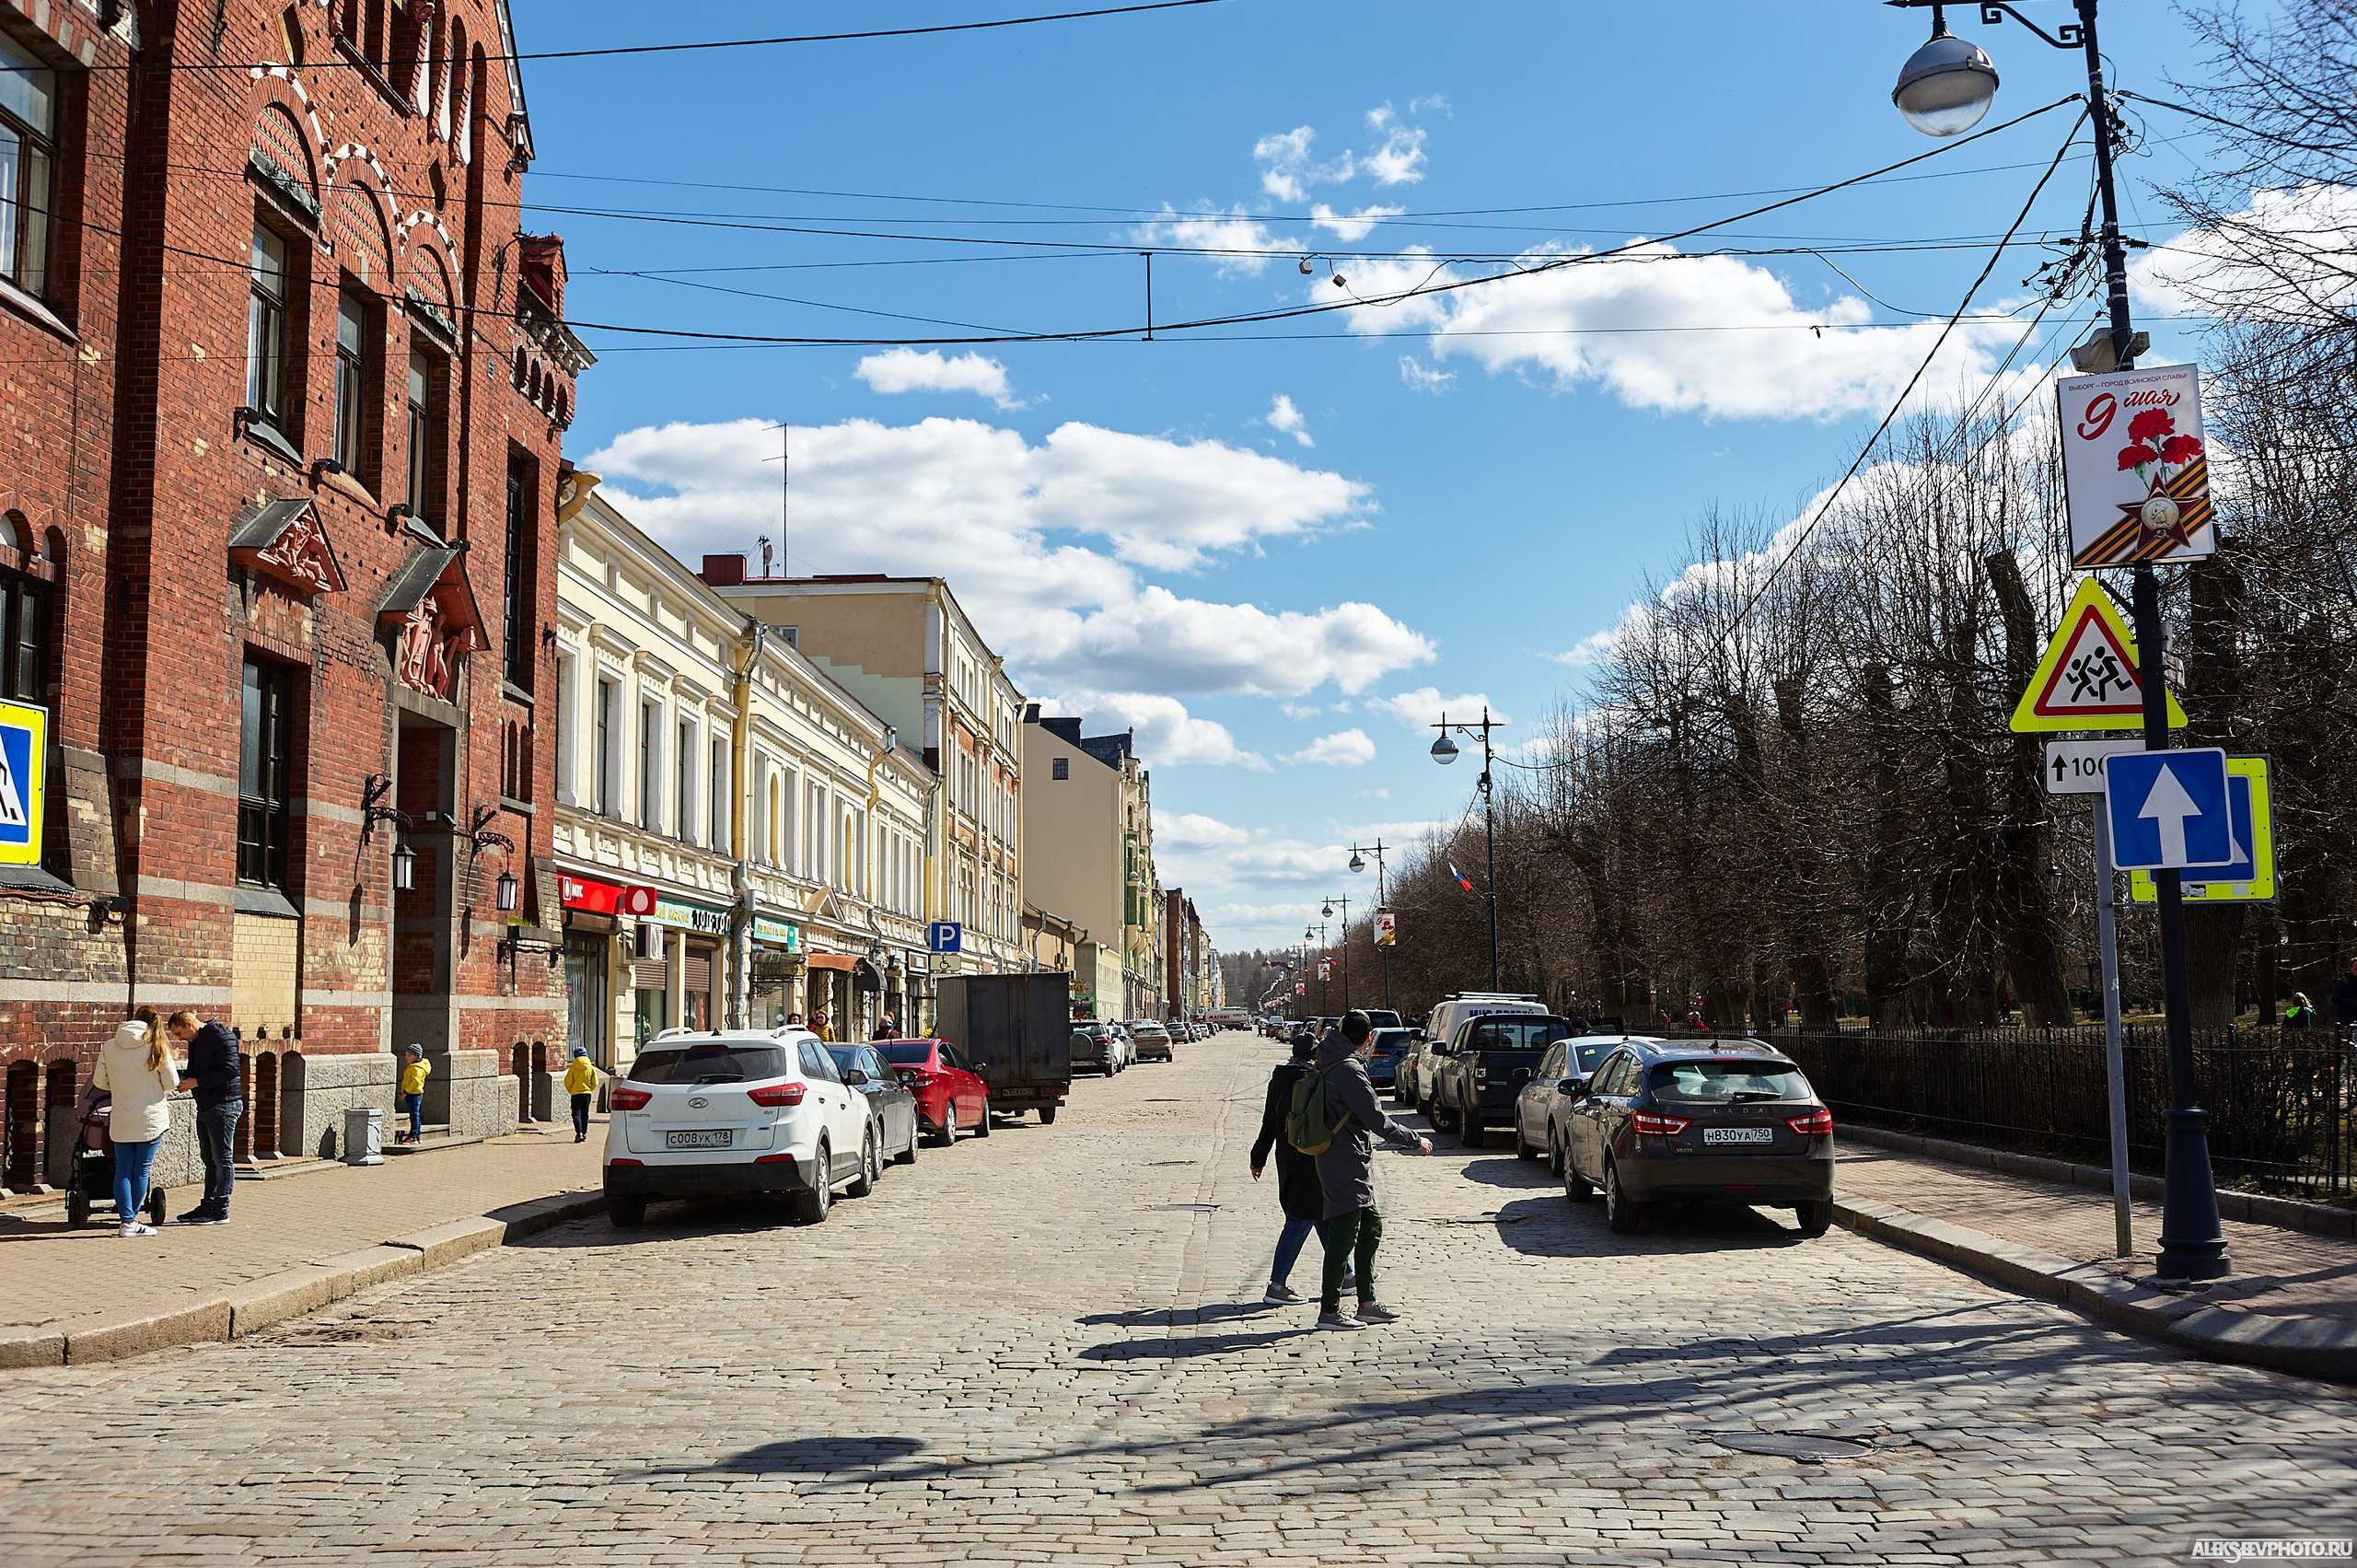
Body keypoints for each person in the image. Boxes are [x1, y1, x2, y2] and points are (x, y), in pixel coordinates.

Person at [1313, 1010, 1431, 1330]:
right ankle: (1329, 1311)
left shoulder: (1330, 1058)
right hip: (1344, 1162)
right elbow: (1376, 1120)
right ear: (1366, 1039)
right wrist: (1414, 1140)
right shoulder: (1349, 1070)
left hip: (1347, 1159)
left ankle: (1366, 1302)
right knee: (1342, 1237)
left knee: (1371, 1227)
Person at [1248, 1033, 1329, 1305]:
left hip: (1286, 1158)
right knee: (1300, 1219)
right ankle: (1277, 1284)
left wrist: (1258, 1157)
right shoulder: (1312, 1081)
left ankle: (1347, 1273)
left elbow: (1269, 1122)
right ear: (1314, 1056)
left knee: (1320, 1215)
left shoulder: (1278, 1080)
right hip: (1309, 1158)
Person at [93, 1006, 180, 1238]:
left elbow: (99, 1081)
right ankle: (132, 1222)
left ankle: (126, 1222)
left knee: (122, 1169)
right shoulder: (156, 1046)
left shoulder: (110, 1046)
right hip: (150, 1117)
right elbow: (172, 1082)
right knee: (141, 1169)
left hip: (121, 1116)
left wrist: (122, 1088)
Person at [167, 1011, 241, 1224]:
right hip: (207, 1105)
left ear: (189, 1023)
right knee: (209, 1160)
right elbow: (198, 1070)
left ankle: (220, 1209)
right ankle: (208, 1205)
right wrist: (182, 1079)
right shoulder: (198, 1040)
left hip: (223, 1104)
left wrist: (196, 1082)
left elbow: (231, 1070)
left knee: (222, 1159)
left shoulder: (221, 1036)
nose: (180, 1038)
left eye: (180, 1033)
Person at [563, 1046, 601, 1143]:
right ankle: (584, 1133)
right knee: (585, 1114)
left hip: (576, 1094)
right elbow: (595, 1082)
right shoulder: (591, 1068)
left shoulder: (572, 1068)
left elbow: (567, 1082)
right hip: (587, 1094)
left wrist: (571, 1090)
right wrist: (589, 1089)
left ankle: (578, 1133)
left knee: (576, 1114)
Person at [398, 1044, 430, 1144]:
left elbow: (415, 1082)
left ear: (417, 1056)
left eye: (409, 1056)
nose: (406, 1058)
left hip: (414, 1094)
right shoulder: (412, 1066)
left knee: (414, 1115)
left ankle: (413, 1135)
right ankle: (417, 1135)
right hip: (411, 1093)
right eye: (406, 1055)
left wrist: (405, 1092)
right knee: (415, 1114)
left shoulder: (417, 1069)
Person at [2330, 959, 2357, 1037]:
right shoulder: (2343, 982)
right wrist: (2353, 1002)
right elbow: (2335, 999)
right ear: (2350, 968)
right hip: (2347, 1019)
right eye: (2356, 969)